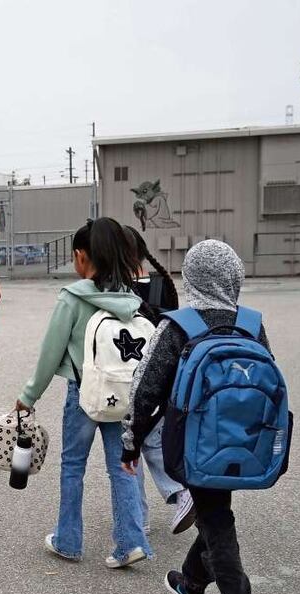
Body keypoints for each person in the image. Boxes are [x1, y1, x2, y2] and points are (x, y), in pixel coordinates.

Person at [123, 240, 270, 594]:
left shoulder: (179, 326)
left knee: (217, 519)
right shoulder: (251, 324)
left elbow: (145, 390)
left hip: (194, 446)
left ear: (192, 278)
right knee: (214, 511)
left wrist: (132, 443)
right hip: (245, 443)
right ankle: (190, 583)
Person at [15, 217, 152, 568]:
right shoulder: (128, 298)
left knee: (73, 466)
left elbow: (50, 353)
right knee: (123, 467)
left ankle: (69, 541)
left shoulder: (72, 298)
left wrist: (29, 396)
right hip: (120, 395)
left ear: (81, 256)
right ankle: (131, 542)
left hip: (84, 395)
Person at [124, 226, 195, 535]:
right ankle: (180, 493)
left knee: (130, 447)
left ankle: (140, 515)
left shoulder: (122, 290)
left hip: (131, 378)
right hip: (165, 378)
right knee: (152, 441)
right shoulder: (162, 282)